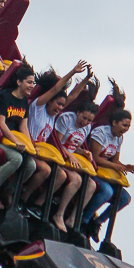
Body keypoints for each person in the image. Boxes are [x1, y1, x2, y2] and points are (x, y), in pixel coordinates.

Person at [21, 61, 93, 232]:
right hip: (30, 149)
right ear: (49, 100)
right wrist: (73, 72)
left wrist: (85, 81)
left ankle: (37, 205)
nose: (60, 108)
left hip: (43, 154)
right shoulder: (38, 107)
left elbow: (73, 97)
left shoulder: (52, 115)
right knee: (45, 170)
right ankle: (22, 199)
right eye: (58, 104)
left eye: (62, 106)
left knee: (60, 175)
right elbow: (55, 90)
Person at [0, 64, 38, 210]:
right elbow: (1, 123)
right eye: (29, 82)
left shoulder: (24, 102)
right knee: (16, 159)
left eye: (33, 83)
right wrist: (15, 141)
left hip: (11, 142)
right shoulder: (4, 96)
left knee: (31, 165)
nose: (32, 86)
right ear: (19, 82)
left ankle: (9, 190)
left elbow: (23, 127)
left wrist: (31, 146)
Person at [82, 97, 134, 242]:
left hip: (106, 174)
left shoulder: (119, 138)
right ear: (114, 123)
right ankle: (84, 220)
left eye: (128, 127)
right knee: (107, 191)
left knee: (124, 198)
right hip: (93, 170)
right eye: (124, 125)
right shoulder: (101, 133)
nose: (125, 129)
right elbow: (95, 157)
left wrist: (124, 167)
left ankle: (97, 222)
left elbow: (114, 160)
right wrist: (115, 166)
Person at [51, 99, 99, 232]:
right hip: (58, 156)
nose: (85, 122)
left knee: (92, 185)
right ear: (78, 113)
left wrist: (83, 152)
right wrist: (69, 154)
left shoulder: (87, 128)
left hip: (70, 160)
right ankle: (58, 214)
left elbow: (74, 145)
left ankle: (72, 218)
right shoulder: (66, 119)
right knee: (76, 180)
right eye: (84, 118)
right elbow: (57, 142)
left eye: (89, 120)